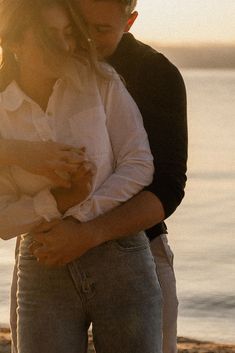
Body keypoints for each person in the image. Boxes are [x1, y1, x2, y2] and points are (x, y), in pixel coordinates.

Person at [7, 0, 187, 352]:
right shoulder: (15, 73)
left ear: (129, 21)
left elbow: (165, 187)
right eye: (77, 26)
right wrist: (17, 151)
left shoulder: (152, 74)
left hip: (137, 247)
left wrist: (86, 228)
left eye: (100, 30)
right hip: (48, 246)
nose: (81, 41)